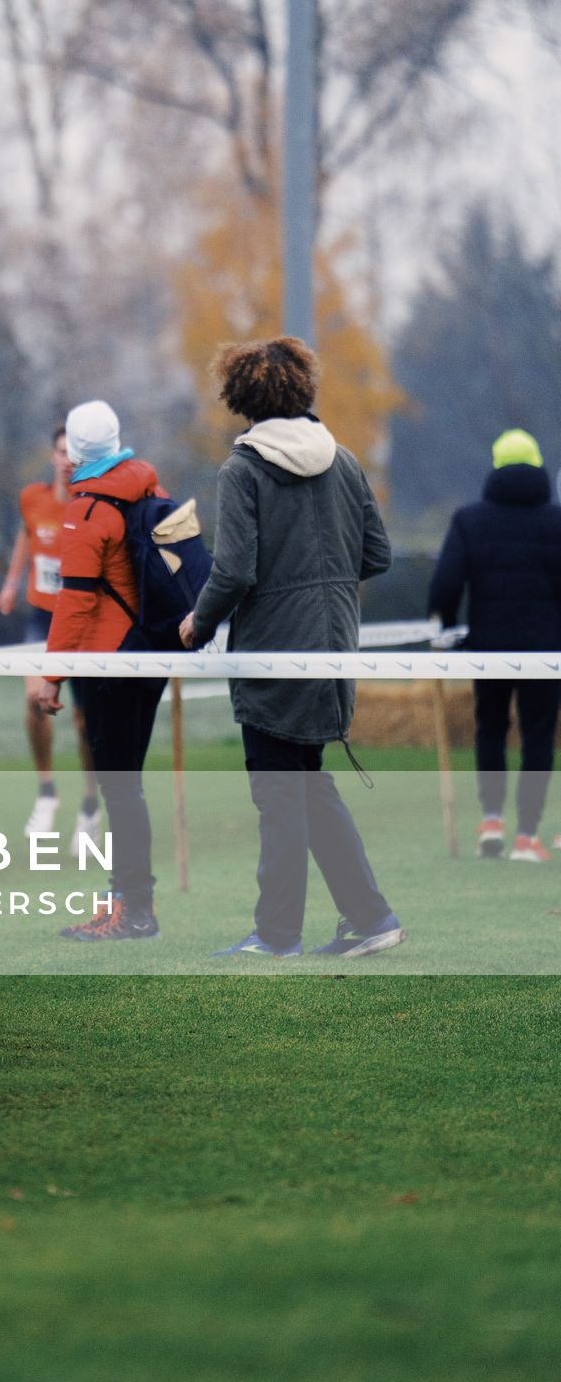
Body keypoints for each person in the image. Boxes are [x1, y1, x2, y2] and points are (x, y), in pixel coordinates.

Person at [180, 336, 403, 960]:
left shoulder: (244, 469)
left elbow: (235, 573)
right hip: (335, 652)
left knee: (281, 796)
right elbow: (377, 554)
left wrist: (197, 625)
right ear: (303, 388)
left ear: (241, 397)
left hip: (273, 659)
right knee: (308, 788)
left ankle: (278, 936)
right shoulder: (346, 460)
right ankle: (371, 916)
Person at [27, 400, 169, 940]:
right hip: (149, 655)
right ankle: (131, 907)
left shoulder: (87, 512)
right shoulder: (150, 489)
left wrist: (53, 675)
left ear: (78, 452)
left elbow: (75, 601)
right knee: (126, 786)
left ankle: (132, 913)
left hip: (106, 663)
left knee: (120, 788)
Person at [428, 428, 561, 862]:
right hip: (546, 649)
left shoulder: (470, 519)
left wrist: (446, 626)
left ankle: (491, 821)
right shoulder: (556, 520)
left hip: (489, 646)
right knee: (539, 735)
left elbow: (446, 583)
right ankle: (527, 835)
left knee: (490, 727)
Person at [0, 424, 102, 849]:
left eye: (73, 452)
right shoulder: (32, 498)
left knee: (83, 719)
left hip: (84, 624)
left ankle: (91, 805)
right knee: (33, 699)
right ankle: (46, 793)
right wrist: (10, 583)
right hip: (41, 620)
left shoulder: (94, 506)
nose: (66, 459)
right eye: (60, 451)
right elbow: (26, 535)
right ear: (53, 456)